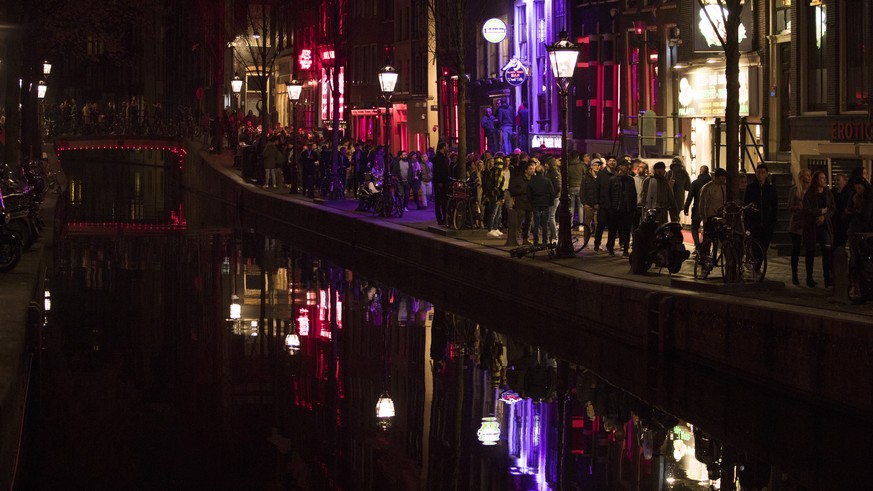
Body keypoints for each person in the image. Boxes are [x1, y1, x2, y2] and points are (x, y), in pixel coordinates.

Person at [803, 170, 835, 288]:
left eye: (825, 178)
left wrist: (824, 217)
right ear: (816, 180)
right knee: (810, 252)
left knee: (827, 251)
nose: (824, 180)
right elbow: (806, 209)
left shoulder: (828, 193)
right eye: (822, 178)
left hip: (824, 225)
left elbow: (832, 208)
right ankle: (809, 278)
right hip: (812, 226)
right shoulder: (810, 194)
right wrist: (820, 212)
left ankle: (827, 278)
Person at [743, 163, 779, 251]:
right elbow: (746, 203)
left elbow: (774, 205)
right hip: (754, 223)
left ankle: (759, 262)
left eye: (763, 173)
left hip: (767, 223)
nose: (760, 175)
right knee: (755, 247)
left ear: (766, 174)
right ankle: (756, 263)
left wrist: (773, 220)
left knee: (764, 246)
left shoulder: (771, 189)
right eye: (758, 172)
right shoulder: (750, 188)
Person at [787, 169, 813, 285]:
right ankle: (794, 275)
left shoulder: (812, 191)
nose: (808, 178)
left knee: (809, 251)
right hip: (797, 223)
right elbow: (789, 206)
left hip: (808, 223)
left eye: (809, 175)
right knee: (796, 250)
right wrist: (799, 208)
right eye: (805, 176)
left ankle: (809, 277)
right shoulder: (795, 190)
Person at [606, 160, 637, 256]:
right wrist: (610, 207)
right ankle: (610, 248)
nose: (627, 168)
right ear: (620, 167)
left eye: (627, 166)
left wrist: (633, 208)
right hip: (615, 209)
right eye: (625, 166)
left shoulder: (630, 180)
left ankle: (625, 249)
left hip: (626, 209)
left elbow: (633, 195)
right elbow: (608, 194)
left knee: (626, 230)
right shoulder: (612, 179)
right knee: (613, 230)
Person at [697, 168, 727, 261]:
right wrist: (704, 218)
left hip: (721, 216)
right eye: (723, 177)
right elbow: (703, 203)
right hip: (710, 217)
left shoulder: (724, 187)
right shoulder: (708, 187)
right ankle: (704, 259)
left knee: (723, 238)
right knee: (708, 238)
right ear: (720, 177)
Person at [640, 161, 678, 225]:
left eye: (663, 169)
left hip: (663, 211)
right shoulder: (649, 181)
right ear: (656, 170)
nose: (663, 171)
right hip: (651, 211)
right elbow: (644, 195)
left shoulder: (665, 182)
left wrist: (675, 211)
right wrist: (644, 208)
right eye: (661, 169)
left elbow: (670, 197)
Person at [527, 161, 556, 246]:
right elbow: (552, 192)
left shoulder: (532, 181)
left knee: (536, 223)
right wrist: (550, 202)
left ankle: (536, 241)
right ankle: (544, 240)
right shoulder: (547, 180)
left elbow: (528, 194)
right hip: (545, 203)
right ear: (543, 171)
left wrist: (532, 202)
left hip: (536, 203)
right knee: (544, 223)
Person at [684, 165, 712, 250]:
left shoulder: (695, 183)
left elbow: (690, 197)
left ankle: (698, 245)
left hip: (697, 208)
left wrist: (686, 208)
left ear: (700, 172)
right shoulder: (711, 183)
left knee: (694, 227)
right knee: (708, 229)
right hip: (709, 210)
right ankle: (706, 248)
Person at [593, 156, 616, 252]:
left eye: (613, 161)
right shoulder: (601, 174)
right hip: (603, 204)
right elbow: (597, 189)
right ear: (607, 162)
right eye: (610, 161)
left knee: (613, 227)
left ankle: (610, 246)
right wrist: (597, 202)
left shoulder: (616, 174)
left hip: (614, 206)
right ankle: (597, 243)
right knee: (600, 225)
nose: (612, 162)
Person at [666, 158, 691, 223]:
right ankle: (676, 224)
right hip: (680, 199)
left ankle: (674, 226)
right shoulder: (684, 173)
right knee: (676, 214)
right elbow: (688, 187)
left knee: (672, 215)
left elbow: (665, 186)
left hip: (670, 198)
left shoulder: (669, 173)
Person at [831, 173, 852, 249]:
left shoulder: (849, 194)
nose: (836, 182)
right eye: (835, 180)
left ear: (845, 181)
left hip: (844, 223)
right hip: (834, 222)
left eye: (838, 180)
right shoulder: (831, 193)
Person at [433, 142, 450, 225]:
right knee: (439, 200)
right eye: (447, 146)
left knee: (443, 200)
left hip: (444, 181)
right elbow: (437, 170)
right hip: (440, 182)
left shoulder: (444, 157)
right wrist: (439, 181)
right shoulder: (437, 158)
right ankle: (440, 218)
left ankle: (444, 217)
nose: (448, 148)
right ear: (443, 147)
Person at [567, 150, 585, 231]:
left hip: (571, 187)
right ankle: (581, 225)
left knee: (571, 207)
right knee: (580, 206)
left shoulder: (568, 165)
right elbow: (585, 175)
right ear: (578, 156)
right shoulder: (582, 165)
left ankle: (570, 224)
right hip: (580, 186)